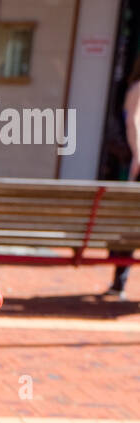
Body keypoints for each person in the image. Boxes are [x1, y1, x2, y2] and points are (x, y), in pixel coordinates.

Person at [106, 54, 140, 299]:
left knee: (128, 227)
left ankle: (120, 281)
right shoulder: (138, 89)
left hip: (133, 166)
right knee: (129, 226)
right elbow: (133, 124)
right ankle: (119, 281)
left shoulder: (134, 89)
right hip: (135, 166)